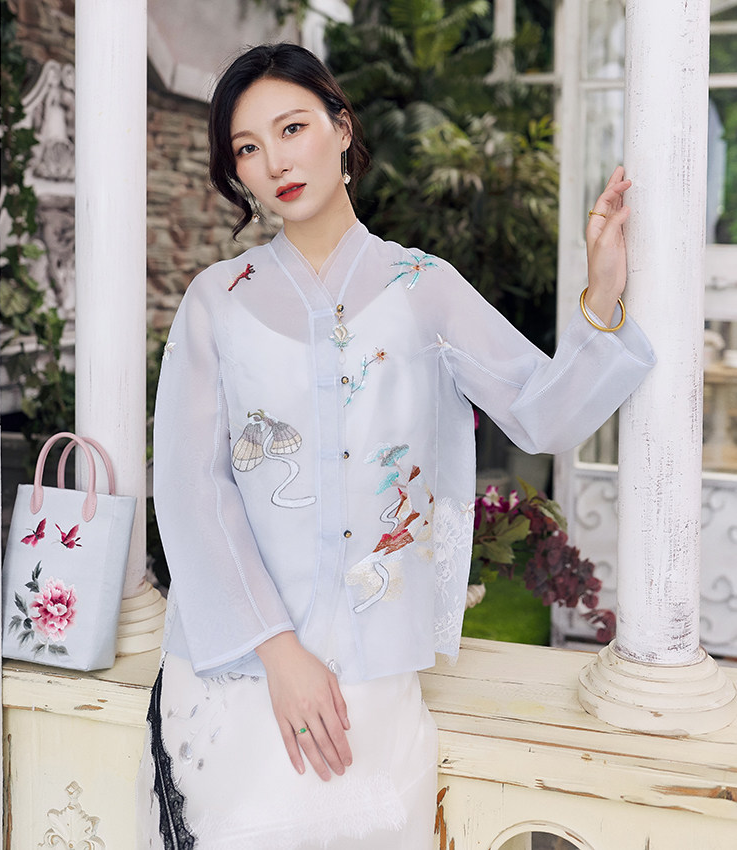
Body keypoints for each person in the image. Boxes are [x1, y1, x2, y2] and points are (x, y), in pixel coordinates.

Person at [136, 42, 654, 850]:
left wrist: (603, 293)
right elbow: (192, 488)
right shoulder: (217, 302)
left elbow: (542, 416)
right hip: (241, 676)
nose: (276, 161)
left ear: (342, 129)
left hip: (376, 684)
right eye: (248, 147)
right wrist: (278, 652)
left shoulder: (424, 288)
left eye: (293, 128)